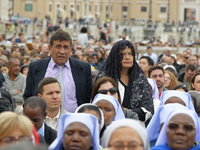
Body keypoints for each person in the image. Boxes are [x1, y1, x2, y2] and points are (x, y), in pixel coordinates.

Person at [23, 29, 92, 113]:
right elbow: (28, 97)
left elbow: (88, 99)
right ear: (50, 48)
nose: (62, 51)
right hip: (44, 121)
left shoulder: (84, 68)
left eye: (66, 47)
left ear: (70, 49)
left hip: (74, 122)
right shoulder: (35, 67)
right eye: (58, 46)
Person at [98, 40, 153, 122]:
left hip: (136, 125)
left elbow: (149, 109)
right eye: (122, 54)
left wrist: (129, 112)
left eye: (130, 54)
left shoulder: (140, 79)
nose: (127, 57)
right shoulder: (105, 77)